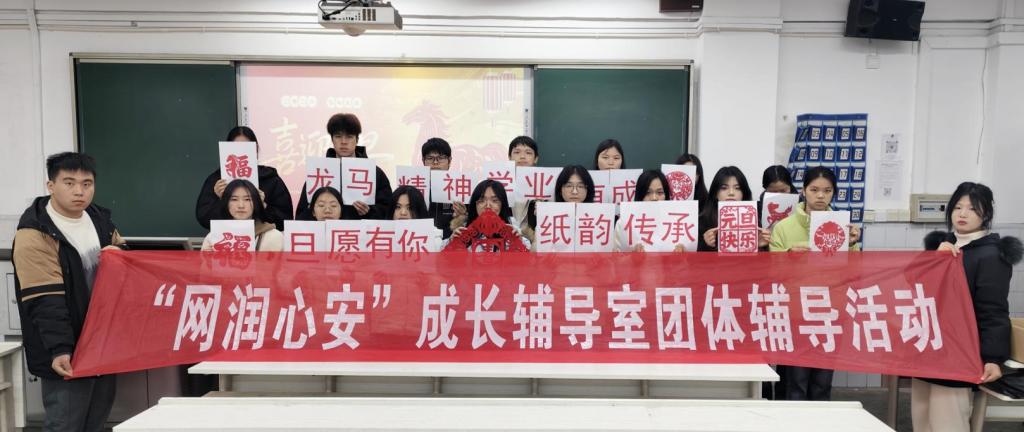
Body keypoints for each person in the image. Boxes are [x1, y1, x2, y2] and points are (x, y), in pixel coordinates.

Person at [13, 152, 125, 432]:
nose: (79, 191)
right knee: (65, 425)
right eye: (69, 183)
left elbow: (124, 257)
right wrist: (60, 348)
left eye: (87, 184)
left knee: (95, 423)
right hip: (66, 349)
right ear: (51, 186)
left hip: (102, 344)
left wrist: (119, 254)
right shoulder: (35, 232)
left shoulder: (99, 219)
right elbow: (44, 298)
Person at [915, 182, 1021, 431]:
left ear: (986, 214)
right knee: (922, 419)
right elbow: (914, 286)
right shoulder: (943, 245)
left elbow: (993, 310)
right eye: (958, 207)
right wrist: (934, 259)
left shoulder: (991, 255)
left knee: (948, 421)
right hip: (928, 345)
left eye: (973, 209)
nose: (963, 214)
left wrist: (992, 358)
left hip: (959, 353)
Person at [768, 166, 861, 402]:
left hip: (830, 311)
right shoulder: (784, 227)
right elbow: (772, 272)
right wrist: (789, 256)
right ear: (803, 191)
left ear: (834, 193)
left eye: (827, 191)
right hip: (795, 312)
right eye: (814, 189)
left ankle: (821, 421)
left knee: (822, 383)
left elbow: (854, 271)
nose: (820, 196)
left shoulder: (842, 226)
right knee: (795, 382)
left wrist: (852, 244)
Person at [294, 113, 393, 220]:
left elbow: (389, 210)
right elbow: (301, 214)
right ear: (332, 139)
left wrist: (369, 211)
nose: (343, 142)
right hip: (325, 230)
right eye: (338, 136)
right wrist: (314, 212)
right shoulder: (319, 172)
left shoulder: (374, 173)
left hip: (360, 230)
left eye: (349, 137)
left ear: (357, 140)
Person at [195, 126, 293, 231]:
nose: (241, 152)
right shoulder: (217, 181)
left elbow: (285, 220)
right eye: (235, 148)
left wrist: (263, 205)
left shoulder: (270, 179)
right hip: (227, 236)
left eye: (246, 147)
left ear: (256, 151)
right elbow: (204, 219)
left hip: (261, 237)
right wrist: (220, 201)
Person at [698, 166, 771, 252]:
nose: (731, 193)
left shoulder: (754, 219)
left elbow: (761, 259)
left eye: (737, 188)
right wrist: (706, 245)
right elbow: (694, 257)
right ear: (715, 193)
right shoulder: (703, 221)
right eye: (724, 188)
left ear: (744, 193)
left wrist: (758, 246)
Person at [522, 165, 595, 250]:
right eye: (569, 186)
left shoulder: (598, 217)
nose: (575, 191)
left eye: (580, 186)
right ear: (560, 189)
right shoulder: (549, 217)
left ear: (588, 190)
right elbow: (536, 252)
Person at [613, 170, 685, 252]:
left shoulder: (678, 223)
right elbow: (615, 257)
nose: (654, 198)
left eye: (660, 192)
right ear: (640, 195)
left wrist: (684, 254)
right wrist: (631, 255)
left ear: (666, 195)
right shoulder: (623, 223)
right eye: (648, 192)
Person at [201, 179, 284, 251]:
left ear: (257, 202)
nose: (241, 205)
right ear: (225, 203)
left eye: (247, 199)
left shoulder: (273, 236)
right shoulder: (214, 236)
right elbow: (203, 264)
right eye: (234, 199)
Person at [450, 179, 531, 251]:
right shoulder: (463, 233)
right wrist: (452, 244)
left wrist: (519, 244)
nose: (488, 206)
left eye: (494, 200)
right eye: (482, 200)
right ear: (475, 205)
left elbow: (528, 261)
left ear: (502, 204)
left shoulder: (514, 235)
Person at [420, 138, 461, 238]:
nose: (435, 162)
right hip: (421, 241)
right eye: (430, 158)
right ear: (423, 161)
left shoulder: (462, 189)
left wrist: (462, 216)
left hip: (453, 242)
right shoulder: (415, 188)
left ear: (449, 161)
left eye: (441, 158)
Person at [508, 136, 539, 230]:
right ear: (509, 157)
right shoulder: (499, 184)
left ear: (536, 158)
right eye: (517, 152)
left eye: (528, 153)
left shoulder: (546, 185)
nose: (522, 157)